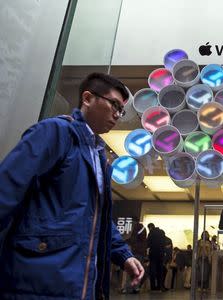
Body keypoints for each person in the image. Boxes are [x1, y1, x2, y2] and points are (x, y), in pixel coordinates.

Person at [0, 73, 144, 299]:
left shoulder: (98, 156)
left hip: (77, 284)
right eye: (114, 105)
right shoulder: (55, 132)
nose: (117, 114)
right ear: (88, 98)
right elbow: (7, 189)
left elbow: (98, 218)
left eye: (121, 110)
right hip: (37, 279)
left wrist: (123, 254)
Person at [147, 225, 165, 291]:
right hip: (161, 254)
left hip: (153, 254)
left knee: (153, 270)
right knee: (160, 270)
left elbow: (148, 243)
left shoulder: (151, 233)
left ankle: (153, 287)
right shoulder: (162, 232)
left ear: (150, 227)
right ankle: (159, 286)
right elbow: (164, 243)